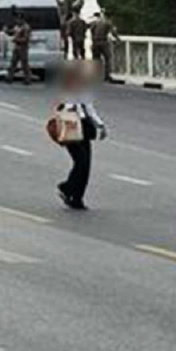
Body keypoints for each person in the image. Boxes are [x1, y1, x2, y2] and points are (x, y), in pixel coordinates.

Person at [53, 61, 107, 210]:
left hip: (84, 128)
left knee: (86, 165)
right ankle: (67, 187)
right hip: (70, 126)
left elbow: (90, 109)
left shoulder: (85, 90)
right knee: (81, 162)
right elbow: (66, 107)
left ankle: (77, 198)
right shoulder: (67, 91)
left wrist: (100, 125)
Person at [89, 11, 119, 82]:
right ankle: (106, 75)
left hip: (95, 42)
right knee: (107, 58)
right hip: (103, 42)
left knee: (96, 59)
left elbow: (91, 30)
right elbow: (113, 32)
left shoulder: (95, 22)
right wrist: (118, 39)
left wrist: (93, 38)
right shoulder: (108, 23)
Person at [7, 11, 33, 85]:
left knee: (24, 64)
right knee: (13, 63)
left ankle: (28, 79)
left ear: (22, 19)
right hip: (16, 47)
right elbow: (13, 32)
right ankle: (10, 77)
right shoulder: (17, 26)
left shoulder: (26, 27)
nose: (17, 20)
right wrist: (8, 31)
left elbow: (26, 39)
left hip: (23, 48)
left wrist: (17, 40)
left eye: (18, 19)